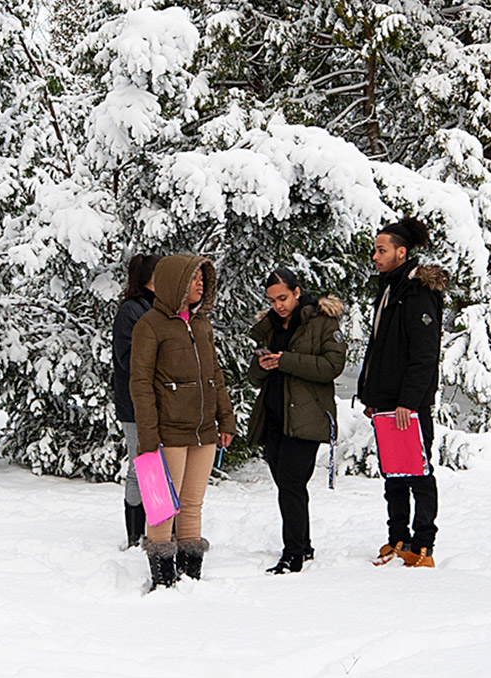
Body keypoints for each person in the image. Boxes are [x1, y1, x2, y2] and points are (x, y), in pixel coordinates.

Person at [128, 254, 234, 590]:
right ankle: (163, 579)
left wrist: (225, 420)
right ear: (174, 282)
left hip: (202, 432)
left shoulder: (201, 324)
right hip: (168, 433)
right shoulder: (150, 325)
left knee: (192, 504)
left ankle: (190, 578)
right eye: (193, 279)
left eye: (203, 278)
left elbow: (214, 375)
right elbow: (140, 383)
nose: (200, 284)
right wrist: (148, 436)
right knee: (162, 507)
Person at [357, 216, 450, 567]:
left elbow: (424, 356)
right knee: (393, 474)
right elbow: (378, 348)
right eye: (375, 250)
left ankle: (423, 544)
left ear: (401, 251)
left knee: (419, 473)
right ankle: (398, 537)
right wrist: (371, 396)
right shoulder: (388, 289)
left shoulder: (418, 291)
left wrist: (408, 402)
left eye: (382, 250)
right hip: (385, 404)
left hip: (409, 405)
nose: (375, 256)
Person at [247, 269, 347, 574]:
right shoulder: (270, 327)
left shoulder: (321, 322)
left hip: (306, 417)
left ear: (297, 292)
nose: (278, 305)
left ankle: (293, 555)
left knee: (291, 484)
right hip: (274, 416)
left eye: (283, 297)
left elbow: (333, 365)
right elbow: (253, 377)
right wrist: (264, 364)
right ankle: (302, 544)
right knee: (286, 485)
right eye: (272, 299)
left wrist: (285, 360)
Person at [109, 252, 160, 550]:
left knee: (155, 464)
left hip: (159, 400)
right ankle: (134, 533)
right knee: (140, 465)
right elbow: (126, 358)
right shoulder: (131, 311)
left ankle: (155, 527)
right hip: (135, 402)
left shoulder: (161, 308)